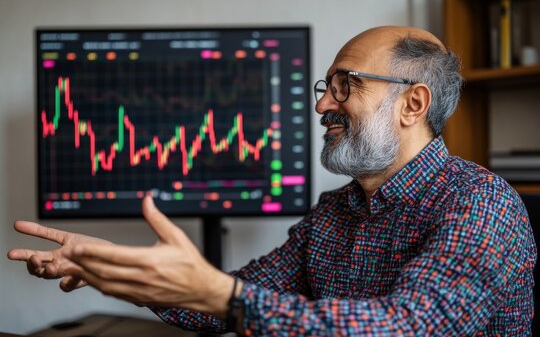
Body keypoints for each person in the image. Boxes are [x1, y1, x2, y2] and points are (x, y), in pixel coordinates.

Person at [8, 26, 536, 336]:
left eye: (344, 85)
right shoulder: (335, 212)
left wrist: (224, 295)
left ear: (412, 104)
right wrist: (114, 266)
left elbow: (404, 326)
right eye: (324, 86)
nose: (323, 103)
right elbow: (236, 297)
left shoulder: (480, 203)